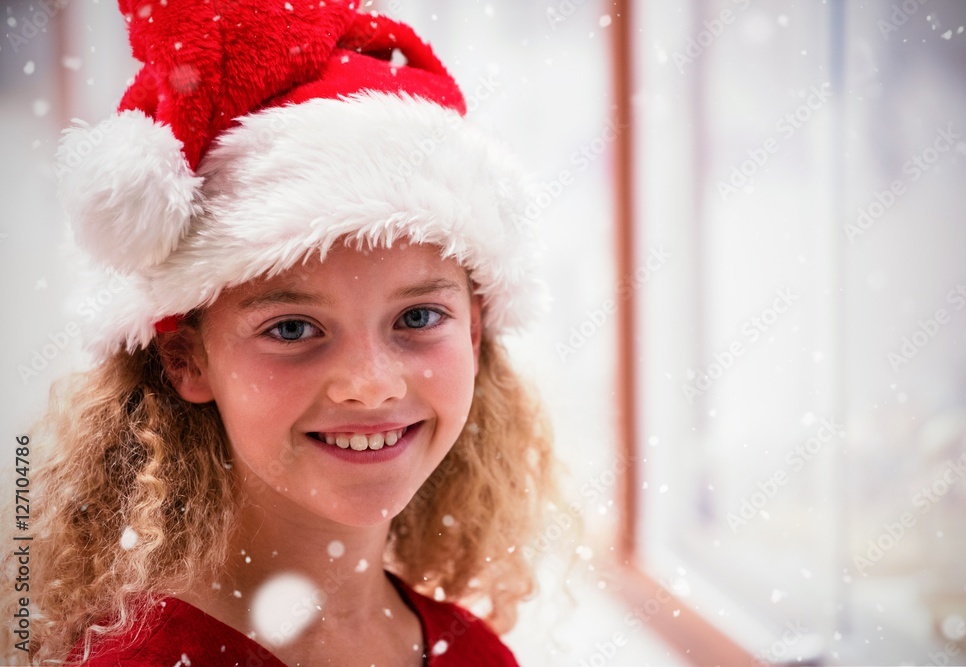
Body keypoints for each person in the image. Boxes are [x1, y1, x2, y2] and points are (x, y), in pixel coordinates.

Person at [1, 1, 559, 665]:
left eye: (417, 317)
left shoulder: (478, 652)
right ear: (187, 359)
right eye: (293, 327)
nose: (371, 383)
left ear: (474, 332)